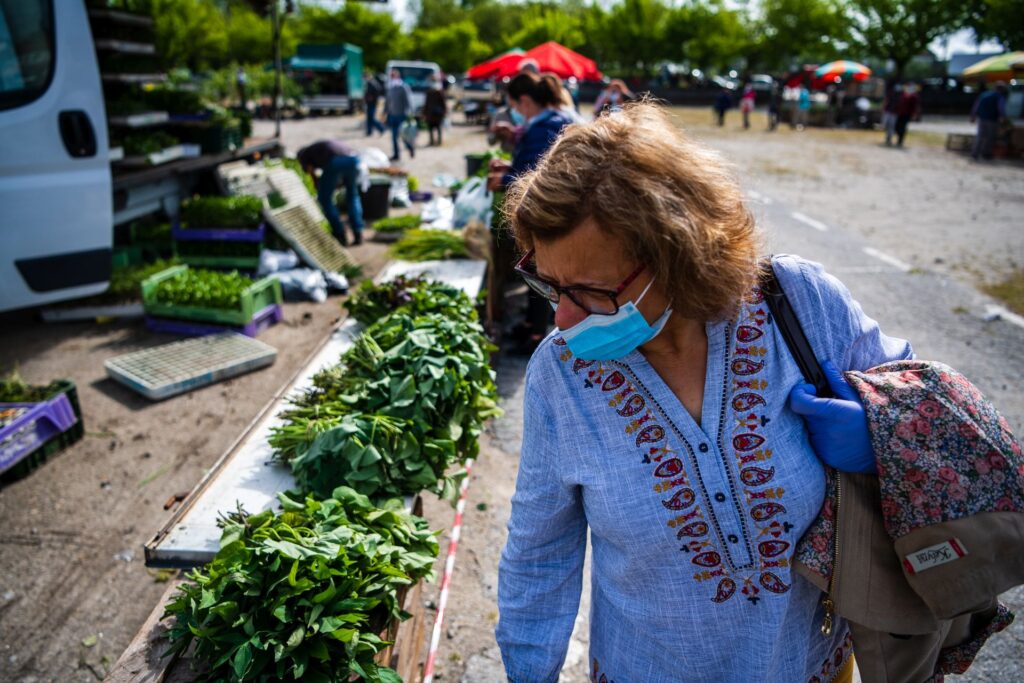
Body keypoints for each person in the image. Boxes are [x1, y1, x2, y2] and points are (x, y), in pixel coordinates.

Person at [496, 101, 913, 682]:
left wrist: (881, 432)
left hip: (812, 666)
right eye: (549, 284)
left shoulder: (801, 304)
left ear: (678, 255)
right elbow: (539, 555)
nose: (563, 318)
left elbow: (923, 402)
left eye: (591, 291)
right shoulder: (560, 376)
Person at [486, 72, 573, 351]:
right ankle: (531, 326)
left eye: (513, 105)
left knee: (541, 273)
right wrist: (509, 169)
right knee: (541, 274)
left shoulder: (543, 128)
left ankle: (535, 335)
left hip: (546, 215)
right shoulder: (553, 121)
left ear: (524, 101)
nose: (514, 112)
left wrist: (505, 179)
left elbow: (537, 178)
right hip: (552, 214)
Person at [296, 140, 365, 246]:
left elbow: (311, 173)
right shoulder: (316, 148)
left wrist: (319, 188)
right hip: (354, 159)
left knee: (324, 199)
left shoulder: (304, 156)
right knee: (352, 195)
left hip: (336, 162)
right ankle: (358, 232)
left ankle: (339, 233)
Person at [971, 82, 1009, 161]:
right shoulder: (999, 97)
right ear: (1002, 90)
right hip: (992, 119)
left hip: (982, 118)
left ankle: (975, 153)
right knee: (990, 137)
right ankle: (986, 153)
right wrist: (1004, 118)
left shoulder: (983, 95)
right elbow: (1001, 109)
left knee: (980, 136)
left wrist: (973, 115)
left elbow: (976, 105)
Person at [383, 68, 415, 161]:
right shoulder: (390, 88)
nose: (392, 77)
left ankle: (410, 147)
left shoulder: (403, 87)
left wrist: (410, 113)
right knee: (394, 137)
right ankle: (396, 155)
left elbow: (408, 101)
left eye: (394, 75)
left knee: (403, 136)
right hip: (392, 116)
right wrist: (384, 112)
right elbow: (387, 102)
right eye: (391, 76)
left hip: (402, 116)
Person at [423, 75, 448, 146]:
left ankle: (437, 141)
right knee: (433, 128)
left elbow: (443, 103)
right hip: (433, 114)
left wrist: (444, 111)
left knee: (437, 127)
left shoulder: (438, 91)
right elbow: (426, 103)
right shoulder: (432, 92)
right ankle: (433, 141)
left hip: (436, 113)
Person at [894, 82, 920, 148]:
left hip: (907, 114)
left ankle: (900, 141)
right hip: (900, 113)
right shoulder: (903, 94)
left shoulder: (914, 96)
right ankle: (898, 137)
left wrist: (914, 114)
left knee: (903, 127)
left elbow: (914, 107)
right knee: (897, 126)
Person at [363, 71, 385, 137]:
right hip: (369, 103)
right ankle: (369, 132)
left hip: (372, 103)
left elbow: (378, 91)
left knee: (372, 119)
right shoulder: (369, 83)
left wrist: (372, 98)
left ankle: (381, 128)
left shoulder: (372, 83)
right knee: (369, 119)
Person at [881, 80, 899, 146]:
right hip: (888, 111)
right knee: (885, 124)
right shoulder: (890, 93)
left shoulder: (899, 94)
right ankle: (888, 136)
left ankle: (889, 138)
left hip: (894, 112)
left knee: (891, 126)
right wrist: (883, 108)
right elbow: (886, 101)